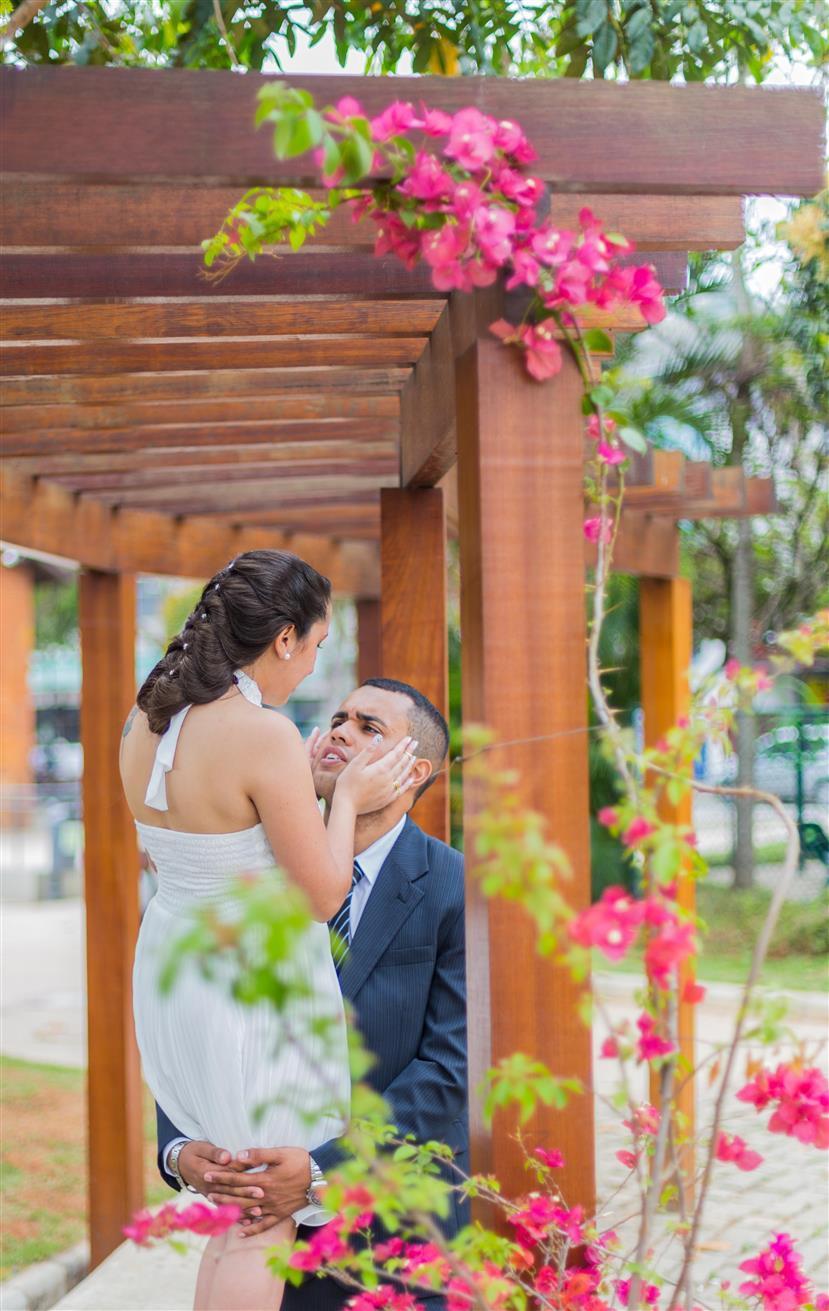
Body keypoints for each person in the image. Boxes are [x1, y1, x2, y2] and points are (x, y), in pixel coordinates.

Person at [121, 551, 419, 1311]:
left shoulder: (146, 718)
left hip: (178, 962)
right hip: (251, 980)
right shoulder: (263, 733)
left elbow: (159, 849)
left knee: (233, 1210)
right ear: (284, 638)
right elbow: (320, 896)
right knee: (265, 1213)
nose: (313, 662)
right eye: (317, 644)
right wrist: (346, 799)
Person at [156, 678, 468, 1310]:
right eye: (338, 718)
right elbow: (191, 1018)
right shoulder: (250, 870)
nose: (340, 732)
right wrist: (180, 1147)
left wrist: (324, 1169)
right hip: (264, 1245)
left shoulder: (455, 886)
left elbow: (450, 1070)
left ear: (415, 771)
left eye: (370, 728)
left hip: (397, 1243)